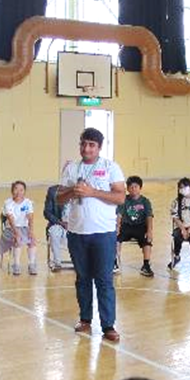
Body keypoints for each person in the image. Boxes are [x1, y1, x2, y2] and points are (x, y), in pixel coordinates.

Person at [57, 128, 126, 343]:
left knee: (104, 280)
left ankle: (108, 326)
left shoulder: (110, 167)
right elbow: (59, 198)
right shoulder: (71, 168)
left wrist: (92, 192)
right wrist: (72, 192)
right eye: (83, 144)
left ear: (99, 147)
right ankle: (85, 320)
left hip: (103, 234)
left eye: (91, 145)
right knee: (83, 279)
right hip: (77, 233)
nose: (86, 148)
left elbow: (120, 197)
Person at [116, 175, 154, 278]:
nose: (133, 189)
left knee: (147, 240)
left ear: (140, 188)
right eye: (131, 187)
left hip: (140, 226)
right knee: (115, 238)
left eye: (135, 187)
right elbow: (119, 215)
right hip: (126, 226)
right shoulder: (124, 200)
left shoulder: (145, 201)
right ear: (127, 188)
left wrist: (149, 230)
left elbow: (149, 217)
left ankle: (146, 265)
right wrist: (117, 228)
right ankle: (115, 262)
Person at [0, 181, 38, 276]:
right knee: (18, 240)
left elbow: (30, 217)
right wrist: (16, 233)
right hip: (10, 229)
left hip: (24, 228)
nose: (18, 192)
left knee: (32, 240)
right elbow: (11, 220)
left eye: (21, 190)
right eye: (16, 189)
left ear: (24, 191)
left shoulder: (28, 202)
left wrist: (31, 231)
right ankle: (16, 264)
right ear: (12, 191)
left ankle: (31, 264)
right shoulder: (8, 203)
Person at [44, 183, 69, 273]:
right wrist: (61, 223)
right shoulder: (53, 191)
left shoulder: (82, 191)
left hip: (76, 225)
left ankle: (80, 262)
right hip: (58, 223)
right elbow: (47, 212)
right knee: (54, 232)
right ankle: (57, 262)